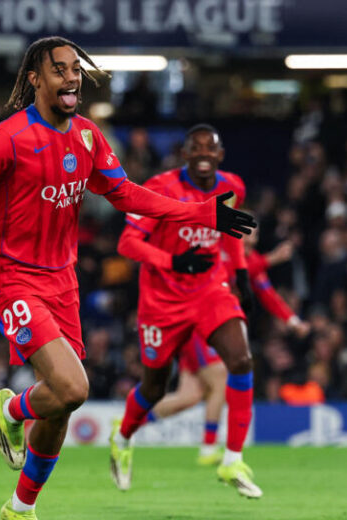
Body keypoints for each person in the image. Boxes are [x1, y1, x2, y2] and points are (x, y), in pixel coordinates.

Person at [0, 37, 255, 520]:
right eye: (59, 70)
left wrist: (202, 213)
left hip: (62, 281)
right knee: (73, 388)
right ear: (34, 80)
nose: (71, 78)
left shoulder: (87, 136)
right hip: (9, 277)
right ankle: (12, 411)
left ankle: (20, 508)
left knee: (61, 407)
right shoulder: (7, 138)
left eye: (75, 71)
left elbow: (127, 194)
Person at [110, 124, 261, 497]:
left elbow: (230, 230)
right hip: (162, 301)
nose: (204, 154)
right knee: (155, 386)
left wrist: (240, 273)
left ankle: (232, 460)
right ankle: (123, 436)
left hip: (210, 288)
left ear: (221, 155)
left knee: (240, 361)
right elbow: (127, 243)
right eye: (196, 148)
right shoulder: (160, 188)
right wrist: (173, 261)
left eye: (211, 148)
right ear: (185, 154)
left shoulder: (233, 187)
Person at [138, 212, 309, 466]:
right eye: (247, 232)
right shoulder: (219, 252)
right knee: (221, 378)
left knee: (189, 397)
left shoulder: (252, 262)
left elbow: (268, 294)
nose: (251, 238)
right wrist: (271, 259)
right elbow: (231, 270)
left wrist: (293, 321)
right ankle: (208, 449)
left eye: (255, 233)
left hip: (209, 331)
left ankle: (130, 423)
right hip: (197, 327)